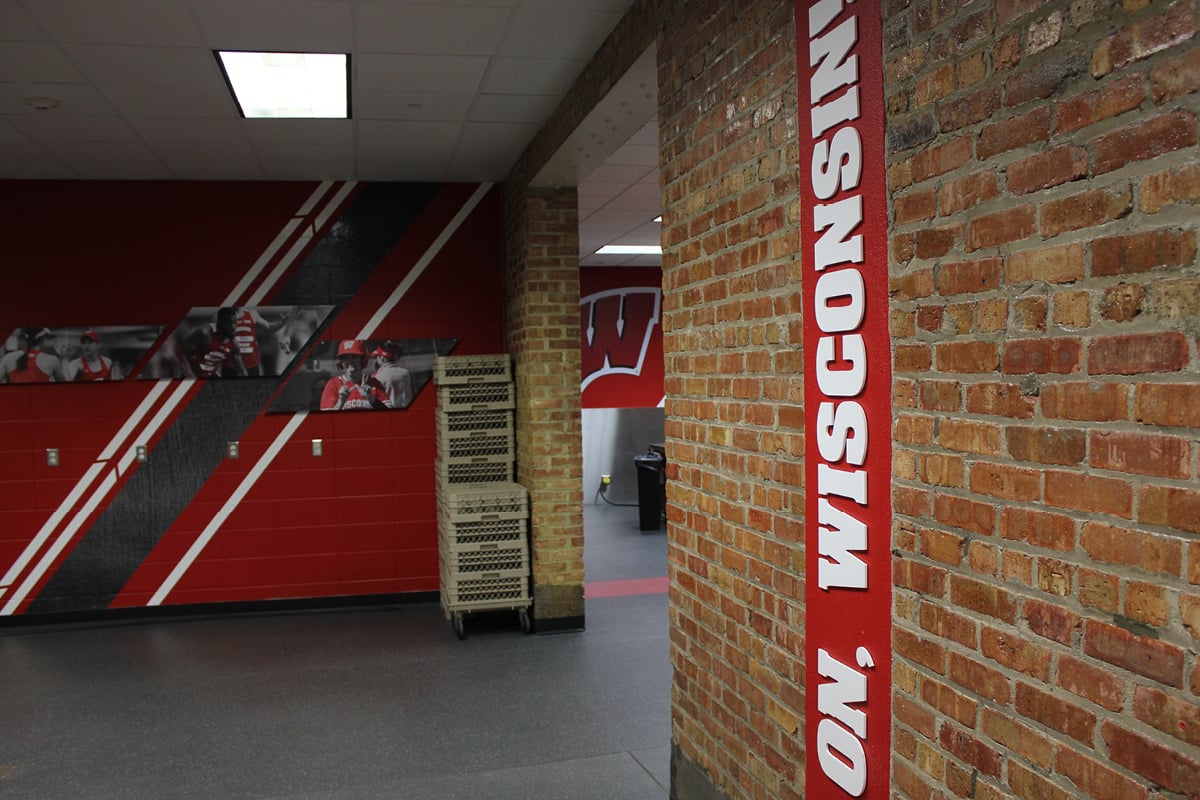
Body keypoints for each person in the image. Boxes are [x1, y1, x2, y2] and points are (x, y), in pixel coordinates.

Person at [320, 340, 387, 411]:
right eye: (346, 358)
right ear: (341, 362)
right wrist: (341, 401)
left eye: (354, 357)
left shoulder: (374, 384)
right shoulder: (333, 384)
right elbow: (326, 417)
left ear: (363, 360)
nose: (350, 361)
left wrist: (372, 399)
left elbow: (389, 414)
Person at [182, 307, 247, 378]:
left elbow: (241, 371)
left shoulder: (234, 344)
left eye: (235, 323)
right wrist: (189, 373)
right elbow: (181, 353)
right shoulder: (205, 333)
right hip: (192, 375)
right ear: (220, 323)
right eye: (229, 324)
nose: (233, 327)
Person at [231, 307, 292, 376]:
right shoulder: (226, 315)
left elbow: (270, 327)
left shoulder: (252, 313)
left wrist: (283, 322)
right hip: (235, 359)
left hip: (251, 361)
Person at [0, 327, 65, 383]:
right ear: (42, 340)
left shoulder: (8, 358)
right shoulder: (52, 360)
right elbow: (64, 385)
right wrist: (65, 359)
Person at [370, 340, 414, 409]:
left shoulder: (377, 376)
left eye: (377, 357)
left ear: (382, 358)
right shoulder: (405, 373)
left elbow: (373, 401)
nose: (375, 360)